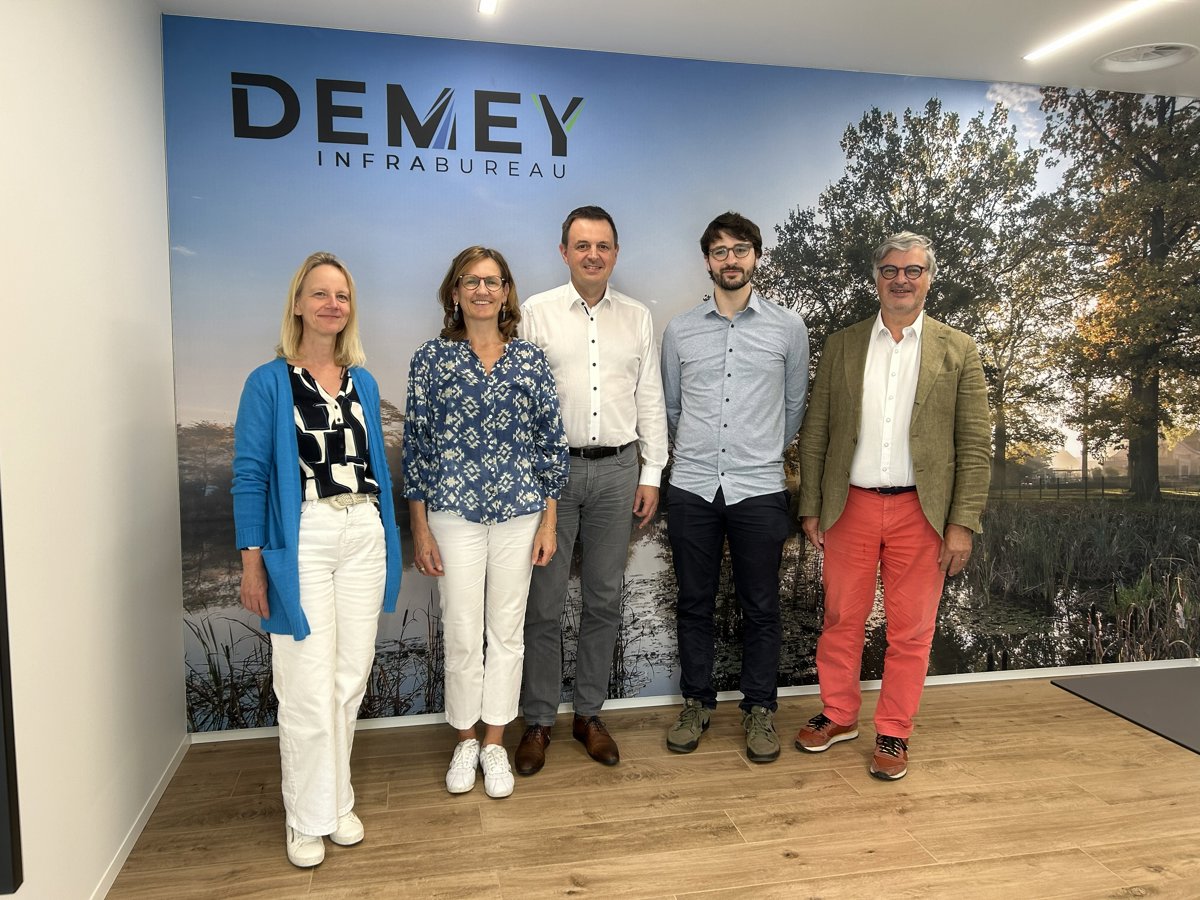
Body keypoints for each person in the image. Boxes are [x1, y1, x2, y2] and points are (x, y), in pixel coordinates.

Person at [796, 231, 990, 780]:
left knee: (911, 631)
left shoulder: (958, 349)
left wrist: (962, 523)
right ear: (876, 278)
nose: (901, 279)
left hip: (922, 515)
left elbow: (974, 445)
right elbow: (816, 431)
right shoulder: (842, 345)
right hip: (849, 507)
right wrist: (811, 504)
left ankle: (894, 731)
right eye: (890, 270)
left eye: (912, 270)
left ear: (929, 279)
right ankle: (839, 714)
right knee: (841, 620)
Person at [232, 251, 403, 868]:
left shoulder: (364, 382)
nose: (333, 304)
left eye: (343, 295)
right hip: (303, 536)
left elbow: (376, 469)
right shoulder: (268, 382)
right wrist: (252, 562)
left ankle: (336, 802)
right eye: (321, 293)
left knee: (348, 679)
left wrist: (385, 535)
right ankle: (305, 818)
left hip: (363, 533)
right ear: (299, 304)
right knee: (305, 684)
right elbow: (250, 476)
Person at [403, 246, 569, 800]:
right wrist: (420, 528)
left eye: (492, 281)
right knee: (460, 629)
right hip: (453, 514)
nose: (481, 290)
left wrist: (548, 523)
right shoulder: (430, 359)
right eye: (470, 281)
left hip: (521, 513)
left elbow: (550, 446)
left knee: (506, 631)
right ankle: (465, 740)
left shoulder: (529, 360)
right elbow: (418, 448)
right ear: (454, 292)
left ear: (506, 292)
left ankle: (495, 741)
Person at [514, 206, 669, 775]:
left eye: (603, 245)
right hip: (552, 477)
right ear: (564, 252)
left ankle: (588, 715)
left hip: (619, 471)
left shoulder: (637, 317)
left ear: (616, 253)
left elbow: (650, 395)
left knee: (604, 598)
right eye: (582, 245)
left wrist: (652, 472)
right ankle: (537, 721)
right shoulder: (536, 314)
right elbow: (522, 402)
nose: (593, 255)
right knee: (544, 603)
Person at [660, 211, 810, 763]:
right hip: (692, 486)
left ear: (756, 256)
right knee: (693, 603)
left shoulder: (788, 328)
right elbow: (672, 408)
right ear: (707, 261)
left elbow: (793, 407)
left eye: (740, 249)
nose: (730, 259)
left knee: (762, 606)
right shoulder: (679, 330)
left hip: (759, 487)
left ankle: (760, 710)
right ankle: (696, 703)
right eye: (720, 250)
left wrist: (757, 449)